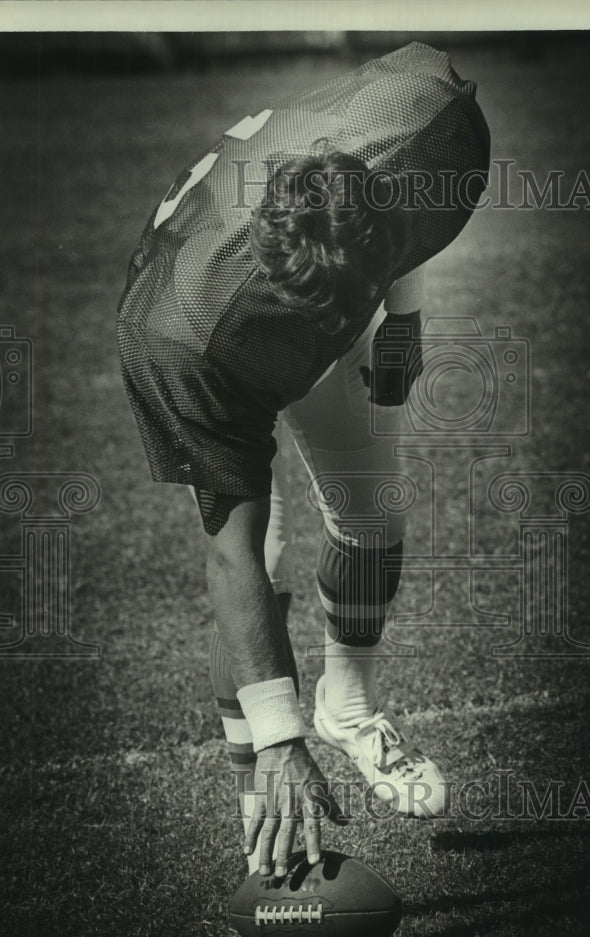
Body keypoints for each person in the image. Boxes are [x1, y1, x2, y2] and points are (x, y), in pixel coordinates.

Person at [117, 42, 490, 879]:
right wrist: (279, 744)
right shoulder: (182, 337)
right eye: (324, 303)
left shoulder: (425, 127)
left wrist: (402, 315)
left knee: (375, 516)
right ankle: (261, 798)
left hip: (310, 271)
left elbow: (410, 229)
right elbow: (228, 556)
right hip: (215, 341)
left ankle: (349, 708)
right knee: (263, 558)